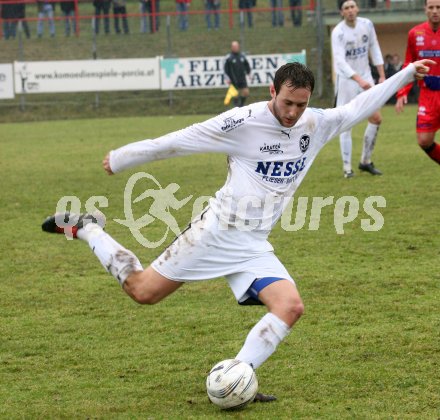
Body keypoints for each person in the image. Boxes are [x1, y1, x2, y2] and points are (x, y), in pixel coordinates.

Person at [41, 58, 433, 402]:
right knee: (143, 292)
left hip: (253, 243)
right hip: (214, 233)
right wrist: (124, 157)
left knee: (290, 307)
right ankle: (88, 229)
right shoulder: (241, 123)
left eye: (301, 104)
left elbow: (359, 105)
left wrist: (406, 75)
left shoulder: (316, 124)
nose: (294, 112)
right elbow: (179, 142)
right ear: (272, 91)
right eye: (287, 102)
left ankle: (236, 377)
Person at [331, 0, 385, 178]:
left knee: (376, 118)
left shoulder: (367, 25)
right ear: (341, 12)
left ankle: (365, 161)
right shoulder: (338, 32)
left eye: (352, 6)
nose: (350, 10)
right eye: (346, 8)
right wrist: (358, 79)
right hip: (347, 81)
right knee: (346, 123)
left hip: (366, 78)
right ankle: (347, 168)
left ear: (357, 8)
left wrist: (382, 75)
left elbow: (375, 48)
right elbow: (340, 61)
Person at [395, 0, 440, 165]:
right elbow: (409, 64)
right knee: (424, 140)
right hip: (427, 95)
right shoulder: (415, 33)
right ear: (425, 9)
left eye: (439, 7)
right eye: (432, 7)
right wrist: (402, 92)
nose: (435, 11)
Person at [224, 40, 251, 107]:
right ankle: (236, 107)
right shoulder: (229, 58)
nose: (235, 47)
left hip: (242, 78)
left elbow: (247, 65)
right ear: (231, 47)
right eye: (234, 46)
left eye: (236, 46)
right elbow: (225, 69)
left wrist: (249, 73)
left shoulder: (242, 56)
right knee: (235, 94)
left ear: (238, 47)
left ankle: (241, 105)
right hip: (233, 79)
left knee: (246, 92)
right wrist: (227, 78)